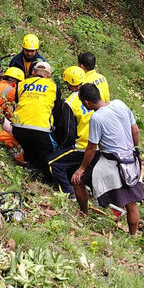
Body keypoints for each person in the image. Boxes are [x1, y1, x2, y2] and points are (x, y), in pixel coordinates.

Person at [71, 84, 144, 234]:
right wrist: (131, 148)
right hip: (131, 160)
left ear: (86, 102)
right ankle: (132, 236)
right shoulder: (120, 104)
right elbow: (136, 131)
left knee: (77, 181)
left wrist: (82, 168)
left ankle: (84, 213)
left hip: (111, 163)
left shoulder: (96, 118)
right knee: (131, 204)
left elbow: (91, 148)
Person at [11, 62, 65, 181]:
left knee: (29, 147)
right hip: (41, 130)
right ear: (48, 75)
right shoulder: (53, 87)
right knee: (50, 155)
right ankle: (48, 179)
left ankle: (29, 167)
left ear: (33, 72)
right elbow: (57, 112)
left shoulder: (22, 84)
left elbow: (17, 102)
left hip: (18, 127)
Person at [48, 66, 92, 195]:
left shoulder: (70, 103)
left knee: (52, 163)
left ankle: (68, 192)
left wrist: (62, 146)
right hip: (97, 144)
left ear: (68, 83)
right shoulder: (93, 92)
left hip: (82, 145)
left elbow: (69, 132)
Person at [0, 67, 26, 165]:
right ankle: (22, 161)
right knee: (11, 139)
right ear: (16, 83)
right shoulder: (11, 90)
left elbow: (6, 111)